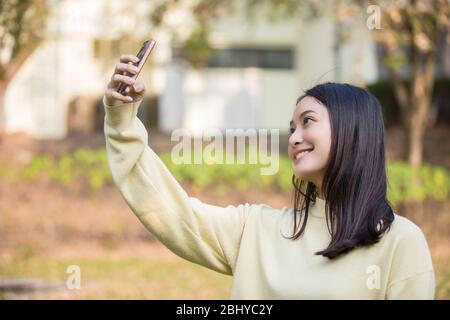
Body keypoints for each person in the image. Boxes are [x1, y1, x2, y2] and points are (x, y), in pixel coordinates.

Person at [103, 54, 435, 299]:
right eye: (292, 128)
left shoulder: (400, 242)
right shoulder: (256, 230)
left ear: (353, 130)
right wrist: (121, 121)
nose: (293, 138)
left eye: (307, 122)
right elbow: (170, 211)